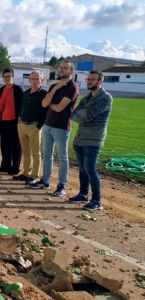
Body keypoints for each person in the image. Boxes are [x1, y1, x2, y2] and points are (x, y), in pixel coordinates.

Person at [29, 61, 79, 196]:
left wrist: (49, 102)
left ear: (72, 72)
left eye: (65, 68)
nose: (62, 70)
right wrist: (56, 89)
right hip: (48, 125)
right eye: (61, 68)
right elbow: (44, 103)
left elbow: (58, 108)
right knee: (47, 155)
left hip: (62, 127)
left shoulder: (73, 87)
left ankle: (62, 185)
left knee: (62, 158)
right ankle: (45, 181)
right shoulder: (54, 86)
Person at [69, 71, 112, 210]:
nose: (89, 81)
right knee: (82, 169)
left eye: (92, 79)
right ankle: (83, 194)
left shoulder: (105, 98)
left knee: (90, 169)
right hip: (80, 138)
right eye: (88, 79)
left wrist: (84, 114)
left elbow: (90, 114)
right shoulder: (86, 98)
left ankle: (97, 200)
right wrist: (84, 114)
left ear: (100, 81)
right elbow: (73, 115)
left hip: (93, 139)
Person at [12, 71, 48, 183]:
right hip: (22, 125)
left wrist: (39, 125)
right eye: (33, 78)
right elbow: (21, 107)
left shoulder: (43, 93)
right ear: (29, 80)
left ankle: (34, 176)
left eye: (38, 79)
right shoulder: (26, 92)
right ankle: (26, 173)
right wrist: (19, 120)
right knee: (26, 151)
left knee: (35, 152)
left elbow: (46, 111)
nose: (35, 81)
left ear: (41, 80)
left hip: (34, 126)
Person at [0, 68, 23, 175]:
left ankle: (15, 167)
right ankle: (5, 166)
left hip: (14, 121)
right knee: (5, 144)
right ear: (3, 78)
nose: (7, 78)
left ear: (13, 77)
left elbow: (21, 106)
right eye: (5, 76)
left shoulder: (17, 89)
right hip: (4, 121)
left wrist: (19, 121)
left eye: (9, 76)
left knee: (15, 145)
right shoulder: (2, 89)